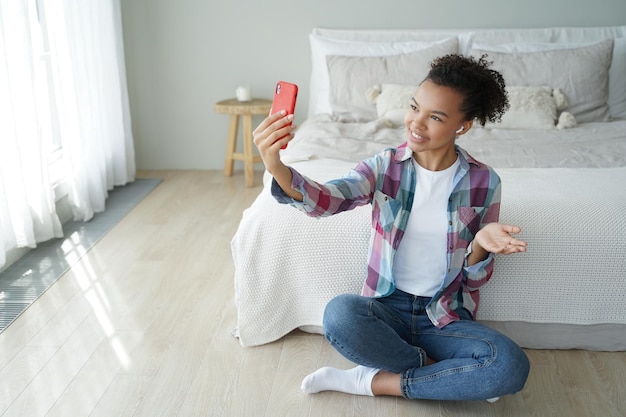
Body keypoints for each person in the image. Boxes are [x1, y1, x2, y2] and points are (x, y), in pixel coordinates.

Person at [252, 54, 530, 402]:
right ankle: (443, 374)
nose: (416, 123)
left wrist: (481, 246)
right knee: (339, 315)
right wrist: (276, 165)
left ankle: (372, 382)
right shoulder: (384, 167)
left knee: (510, 366)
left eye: (436, 117)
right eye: (414, 107)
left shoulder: (484, 181)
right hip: (387, 309)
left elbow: (475, 280)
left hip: (444, 317)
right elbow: (329, 199)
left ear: (463, 126)